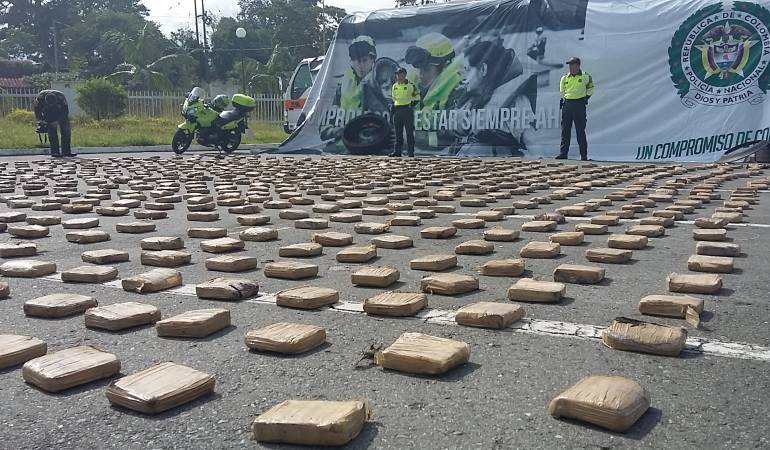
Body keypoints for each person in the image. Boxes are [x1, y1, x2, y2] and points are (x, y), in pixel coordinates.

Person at [404, 32, 462, 149]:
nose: (420, 74)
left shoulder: (457, 93)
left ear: (444, 67)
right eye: (418, 68)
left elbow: (453, 139)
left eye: (426, 69)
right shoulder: (407, 87)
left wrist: (415, 137)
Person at [558, 57, 593, 160]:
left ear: (578, 66)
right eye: (569, 65)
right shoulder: (564, 77)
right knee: (565, 130)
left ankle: (583, 155)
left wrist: (586, 98)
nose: (570, 67)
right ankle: (563, 154)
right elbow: (562, 91)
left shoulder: (585, 76)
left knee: (580, 131)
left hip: (579, 104)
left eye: (572, 65)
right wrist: (562, 101)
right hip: (567, 104)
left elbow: (591, 88)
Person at [33, 89, 74, 157]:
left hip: (60, 113)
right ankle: (55, 152)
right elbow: (36, 109)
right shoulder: (40, 98)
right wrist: (41, 120)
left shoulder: (61, 97)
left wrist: (58, 121)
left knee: (66, 131)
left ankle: (66, 152)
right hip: (48, 114)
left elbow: (65, 112)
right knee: (52, 132)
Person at [389, 67, 419, 157]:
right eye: (397, 74)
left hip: (407, 110)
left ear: (405, 75)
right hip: (397, 110)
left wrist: (412, 104)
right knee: (398, 133)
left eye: (400, 74)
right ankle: (397, 151)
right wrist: (393, 108)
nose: (398, 76)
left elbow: (417, 96)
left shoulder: (410, 85)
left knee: (409, 132)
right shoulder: (395, 86)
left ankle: (411, 152)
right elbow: (393, 98)